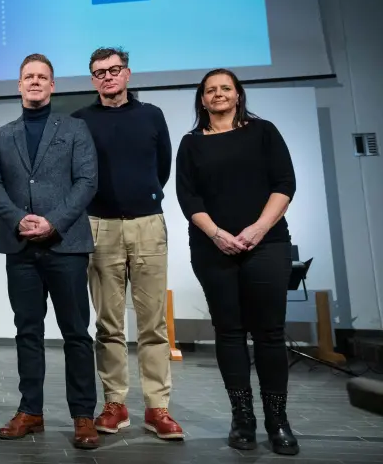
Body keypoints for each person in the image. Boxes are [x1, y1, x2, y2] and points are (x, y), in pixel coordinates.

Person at [175, 69, 299, 456]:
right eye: (210, 90)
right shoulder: (191, 143)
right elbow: (187, 197)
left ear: (238, 94)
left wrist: (258, 230)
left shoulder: (264, 132)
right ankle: (242, 419)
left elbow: (285, 184)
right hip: (213, 248)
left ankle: (278, 421)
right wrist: (216, 234)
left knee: (269, 333)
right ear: (202, 100)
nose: (218, 94)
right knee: (229, 332)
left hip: (267, 245)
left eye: (225, 88)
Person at [0, 53, 100, 450]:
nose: (35, 82)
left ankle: (83, 415)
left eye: (42, 77)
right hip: (20, 247)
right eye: (28, 76)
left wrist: (53, 222)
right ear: (19, 85)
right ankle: (31, 410)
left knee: (76, 334)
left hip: (66, 245)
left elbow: (87, 181)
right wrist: (19, 220)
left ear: (53, 86)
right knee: (27, 331)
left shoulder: (75, 129)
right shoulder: (2, 134)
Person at [71, 48, 184, 440]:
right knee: (108, 324)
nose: (107, 77)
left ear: (128, 74)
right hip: (99, 227)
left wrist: (142, 199)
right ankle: (115, 403)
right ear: (92, 80)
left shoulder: (151, 115)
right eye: (99, 72)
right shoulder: (80, 121)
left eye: (114, 70)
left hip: (148, 224)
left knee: (154, 323)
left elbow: (163, 167)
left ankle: (157, 407)